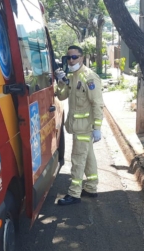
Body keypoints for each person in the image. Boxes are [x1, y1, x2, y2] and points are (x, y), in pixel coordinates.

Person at [55, 45, 104, 206]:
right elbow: (61, 96)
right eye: (68, 57)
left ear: (82, 58)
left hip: (85, 127)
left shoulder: (89, 77)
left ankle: (74, 193)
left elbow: (97, 103)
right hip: (78, 126)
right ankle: (90, 188)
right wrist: (61, 81)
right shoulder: (73, 76)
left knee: (77, 159)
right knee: (88, 158)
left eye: (74, 57)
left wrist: (97, 127)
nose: (71, 60)